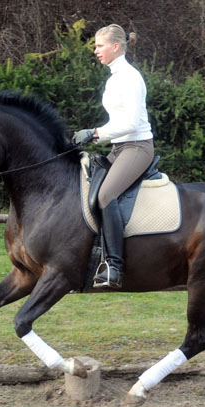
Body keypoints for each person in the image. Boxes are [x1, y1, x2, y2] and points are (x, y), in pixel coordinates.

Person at [73, 24, 154, 289]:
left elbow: (130, 123)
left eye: (99, 45)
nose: (95, 50)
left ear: (116, 47)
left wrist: (95, 133)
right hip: (118, 148)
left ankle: (115, 267)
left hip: (137, 147)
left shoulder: (129, 77)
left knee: (106, 195)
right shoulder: (114, 77)